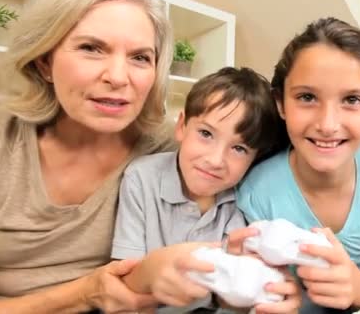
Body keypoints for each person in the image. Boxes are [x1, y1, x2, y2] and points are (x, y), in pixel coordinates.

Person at [0, 0, 178, 312]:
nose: (118, 77)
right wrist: (83, 293)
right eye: (91, 48)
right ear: (44, 61)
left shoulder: (170, 149)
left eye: (140, 57)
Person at [237, 17, 360, 313]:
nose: (327, 125)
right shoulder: (257, 192)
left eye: (351, 99)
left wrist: (357, 287)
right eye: (307, 97)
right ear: (281, 103)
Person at [111, 66, 300, 313]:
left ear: (254, 159)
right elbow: (123, 282)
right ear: (181, 127)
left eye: (239, 149)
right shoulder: (142, 177)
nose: (215, 160)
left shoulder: (241, 202)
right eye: (205, 133)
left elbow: (231, 298)